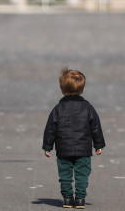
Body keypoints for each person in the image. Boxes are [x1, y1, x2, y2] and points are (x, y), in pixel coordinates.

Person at [43, 67, 105, 209]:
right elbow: (95, 127)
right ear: (83, 89)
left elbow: (50, 128)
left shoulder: (58, 108)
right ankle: (80, 200)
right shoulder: (88, 108)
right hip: (83, 149)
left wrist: (47, 146)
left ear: (61, 89)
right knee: (82, 175)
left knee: (65, 175)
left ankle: (67, 198)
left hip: (63, 148)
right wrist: (98, 144)